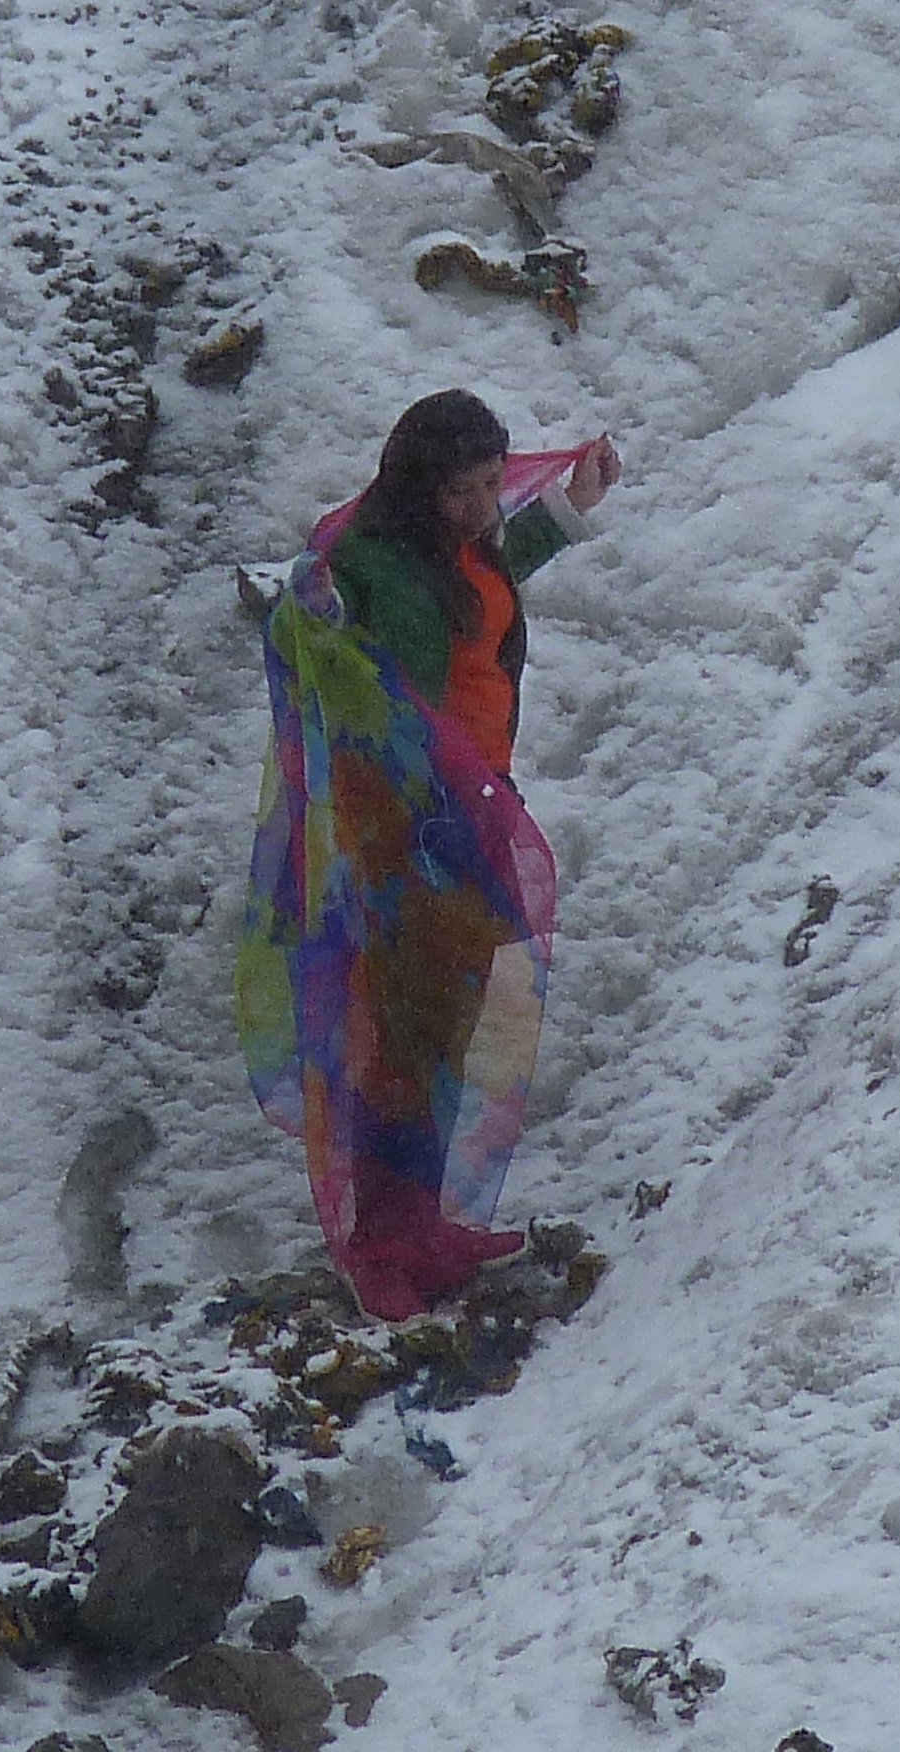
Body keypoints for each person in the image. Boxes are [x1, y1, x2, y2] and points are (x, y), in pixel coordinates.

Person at [237, 390, 619, 1321]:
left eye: (496, 484)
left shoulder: (433, 546)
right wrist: (437, 821)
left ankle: (419, 1223)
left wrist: (565, 510)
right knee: (401, 1023)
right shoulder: (380, 569)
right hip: (408, 822)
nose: (488, 508)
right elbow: (384, 699)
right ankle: (378, 1245)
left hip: (466, 798)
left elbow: (476, 586)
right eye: (467, 492)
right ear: (420, 489)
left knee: (442, 1015)